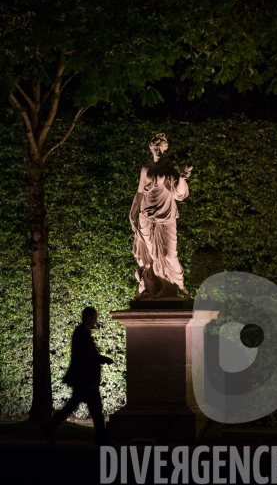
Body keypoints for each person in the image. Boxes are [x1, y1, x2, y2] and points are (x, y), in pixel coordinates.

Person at [129, 132, 192, 300]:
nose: (157, 148)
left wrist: (183, 178)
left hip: (165, 216)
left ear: (165, 147)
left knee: (170, 256)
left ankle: (181, 287)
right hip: (146, 217)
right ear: (151, 147)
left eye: (160, 145)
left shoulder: (171, 168)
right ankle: (162, 289)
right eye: (154, 146)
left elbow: (179, 193)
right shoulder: (146, 169)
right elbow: (140, 192)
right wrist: (132, 213)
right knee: (153, 256)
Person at [41, 307, 113, 444]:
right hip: (85, 379)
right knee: (95, 410)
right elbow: (86, 358)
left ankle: (49, 428)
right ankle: (101, 438)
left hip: (82, 379)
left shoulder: (81, 332)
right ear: (89, 318)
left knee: (77, 406)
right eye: (94, 317)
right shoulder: (82, 334)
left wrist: (103, 360)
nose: (95, 320)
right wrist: (92, 376)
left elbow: (87, 356)